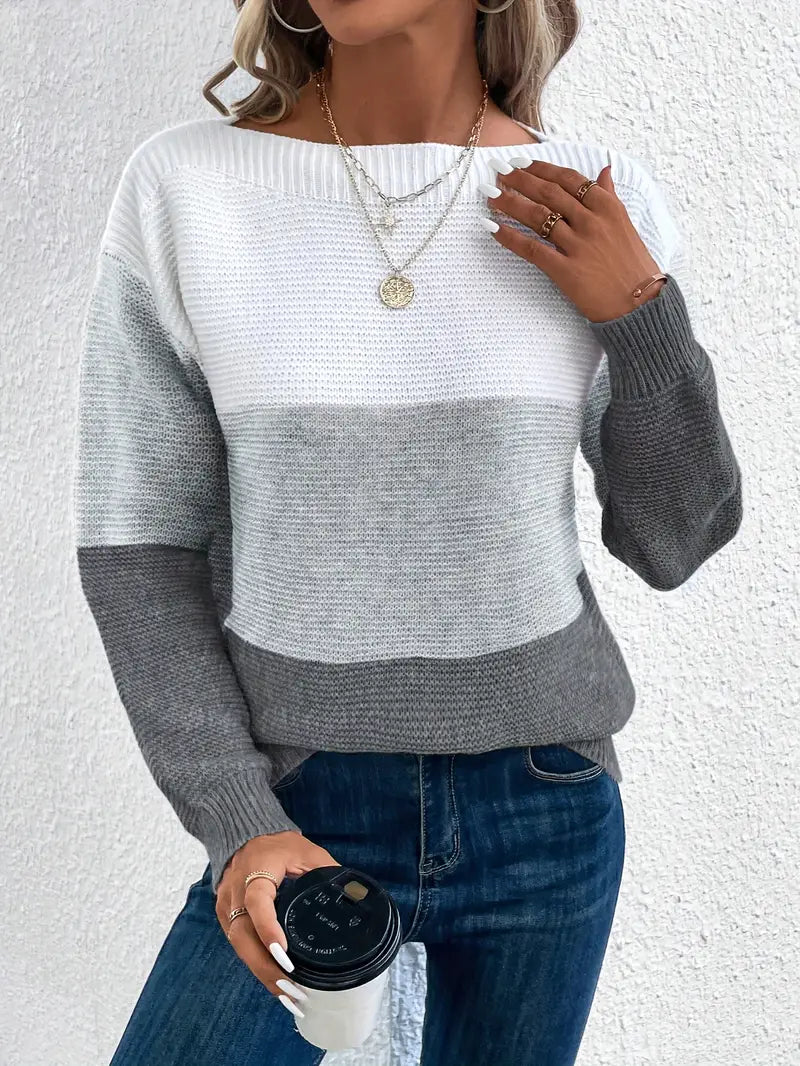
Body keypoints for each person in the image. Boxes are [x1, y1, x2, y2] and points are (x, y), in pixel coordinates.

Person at [72, 0, 743, 1062]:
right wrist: (236, 816)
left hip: (546, 807)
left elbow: (675, 538)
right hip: (298, 802)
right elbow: (137, 549)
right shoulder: (187, 189)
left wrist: (639, 312)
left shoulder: (586, 200)